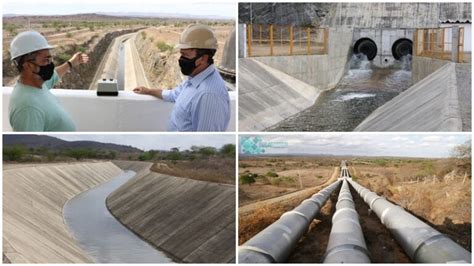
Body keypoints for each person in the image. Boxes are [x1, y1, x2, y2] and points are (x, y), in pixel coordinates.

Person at [133, 24, 230, 132]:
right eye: (181, 55)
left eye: (185, 56)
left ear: (203, 58)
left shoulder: (209, 95)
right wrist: (148, 91)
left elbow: (205, 139)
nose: (181, 59)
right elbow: (174, 95)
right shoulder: (195, 78)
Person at [9, 31, 89, 131]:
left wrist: (71, 63)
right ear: (28, 65)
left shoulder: (36, 84)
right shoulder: (28, 108)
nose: (50, 64)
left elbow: (54, 75)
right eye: (45, 60)